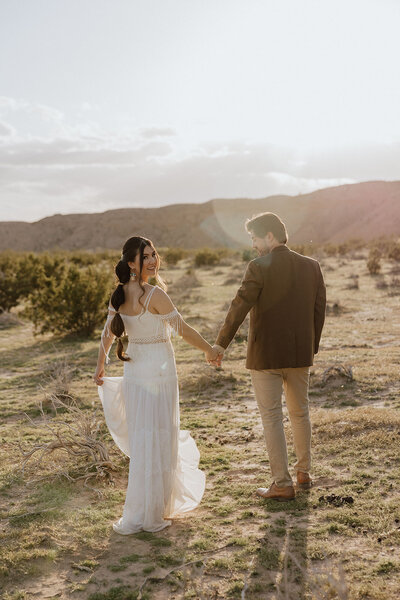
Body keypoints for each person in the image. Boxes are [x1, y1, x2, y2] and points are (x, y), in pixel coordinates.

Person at [94, 236, 218, 533]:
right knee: (159, 434)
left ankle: (148, 507)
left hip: (136, 373)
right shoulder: (155, 295)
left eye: (154, 254)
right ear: (131, 264)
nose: (152, 260)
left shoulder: (118, 296)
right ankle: (155, 509)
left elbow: (107, 336)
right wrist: (209, 350)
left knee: (144, 438)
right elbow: (183, 330)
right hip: (157, 374)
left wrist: (101, 363)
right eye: (145, 256)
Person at [212, 212, 326, 501]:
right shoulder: (312, 266)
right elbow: (318, 312)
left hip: (265, 357)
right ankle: (304, 473)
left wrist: (221, 343)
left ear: (271, 236)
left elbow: (240, 306)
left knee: (272, 417)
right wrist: (309, 347)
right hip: (300, 354)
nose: (253, 245)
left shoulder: (259, 267)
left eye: (255, 238)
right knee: (301, 413)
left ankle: (282, 484)